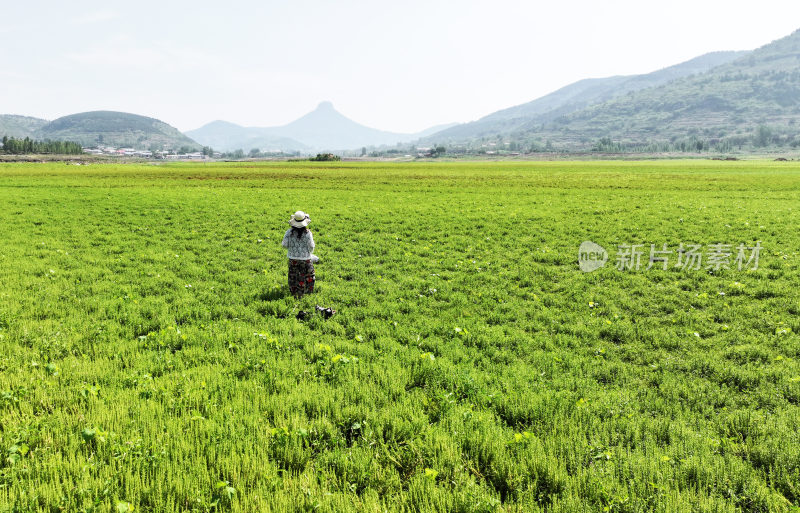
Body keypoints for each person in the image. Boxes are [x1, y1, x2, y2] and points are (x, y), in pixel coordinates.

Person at [281, 211, 317, 298]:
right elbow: (311, 246)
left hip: (293, 259)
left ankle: (294, 292)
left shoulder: (289, 232)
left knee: (293, 275)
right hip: (306, 259)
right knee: (309, 275)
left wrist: (292, 248)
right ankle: (307, 291)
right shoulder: (308, 233)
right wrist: (309, 252)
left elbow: (284, 245)